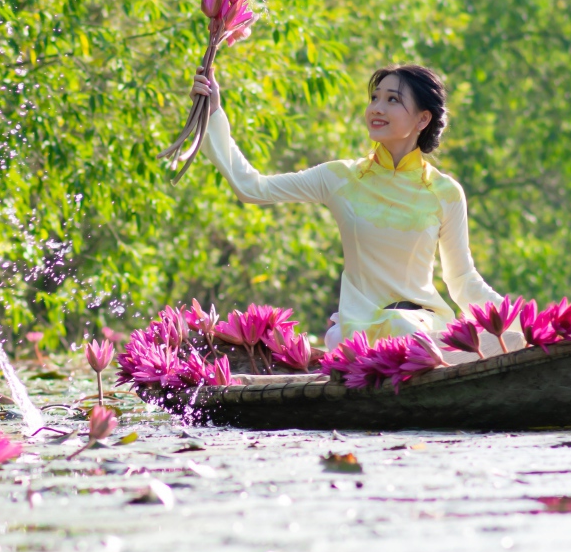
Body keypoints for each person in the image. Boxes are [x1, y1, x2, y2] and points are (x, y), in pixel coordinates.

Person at [192, 63, 509, 351]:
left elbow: (463, 279)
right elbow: (252, 188)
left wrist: (519, 323)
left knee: (505, 340)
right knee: (400, 330)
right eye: (375, 98)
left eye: (392, 100)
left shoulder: (445, 192)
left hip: (424, 325)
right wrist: (214, 112)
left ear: (423, 119)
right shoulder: (341, 178)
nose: (376, 108)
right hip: (358, 333)